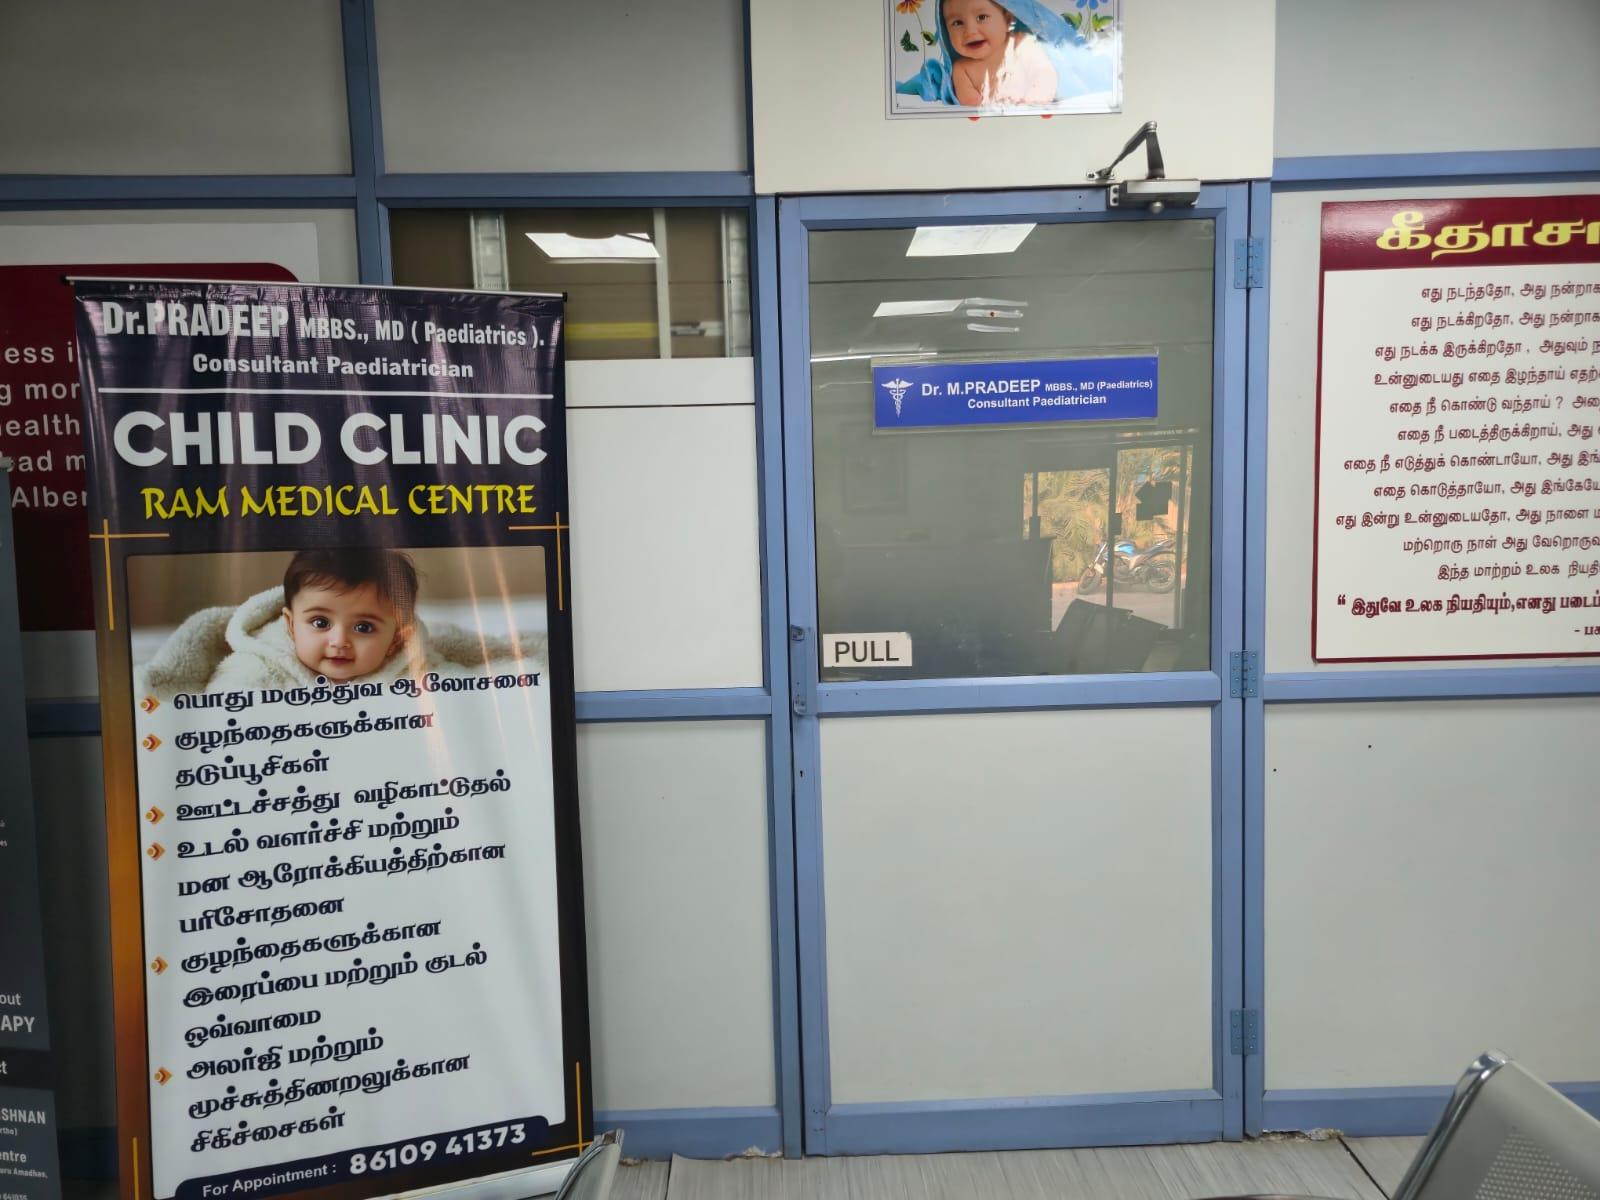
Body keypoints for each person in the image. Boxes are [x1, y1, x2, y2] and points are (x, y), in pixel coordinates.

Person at [136, 546, 543, 697]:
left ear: (397, 640)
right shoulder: (256, 669)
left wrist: (526, 676)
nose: (339, 641)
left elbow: (470, 692)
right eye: (319, 623)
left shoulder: (414, 668)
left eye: (364, 627)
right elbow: (224, 721)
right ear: (290, 625)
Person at [942, 0, 1057, 107]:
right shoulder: (961, 69)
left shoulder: (1021, 43)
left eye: (981, 17)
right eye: (957, 23)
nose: (970, 31)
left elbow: (1045, 75)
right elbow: (970, 105)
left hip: (1035, 115)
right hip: (995, 124)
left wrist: (1031, 100)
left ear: (1007, 20)